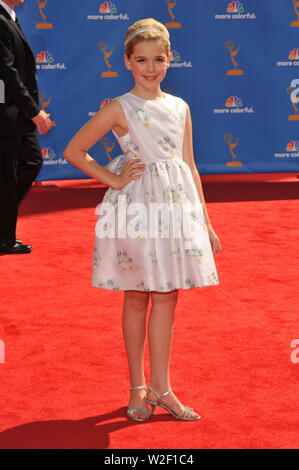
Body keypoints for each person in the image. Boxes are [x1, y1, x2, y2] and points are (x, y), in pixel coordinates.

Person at [64, 18, 222, 422]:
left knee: (169, 295)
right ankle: (137, 386)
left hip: (176, 210)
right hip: (137, 212)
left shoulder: (180, 107)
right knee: (137, 295)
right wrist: (114, 178)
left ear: (170, 60)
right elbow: (75, 151)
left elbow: (189, 164)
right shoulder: (120, 107)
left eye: (158, 59)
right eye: (141, 60)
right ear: (127, 62)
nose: (150, 68)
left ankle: (161, 387)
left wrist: (204, 222)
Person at [0, 0, 51, 254]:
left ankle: (2, 227)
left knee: (31, 162)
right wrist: (35, 111)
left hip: (16, 113)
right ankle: (4, 239)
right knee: (7, 178)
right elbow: (7, 73)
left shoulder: (10, 17)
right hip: (6, 111)